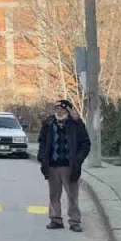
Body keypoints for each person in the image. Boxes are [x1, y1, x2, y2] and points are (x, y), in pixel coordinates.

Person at [37, 99, 90, 233]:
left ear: (68, 110)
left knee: (72, 195)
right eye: (57, 109)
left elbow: (85, 144)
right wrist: (42, 158)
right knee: (54, 195)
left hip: (70, 166)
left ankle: (74, 221)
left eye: (62, 109)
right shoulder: (49, 123)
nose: (59, 111)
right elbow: (42, 142)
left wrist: (78, 160)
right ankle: (55, 219)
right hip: (52, 165)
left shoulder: (76, 124)